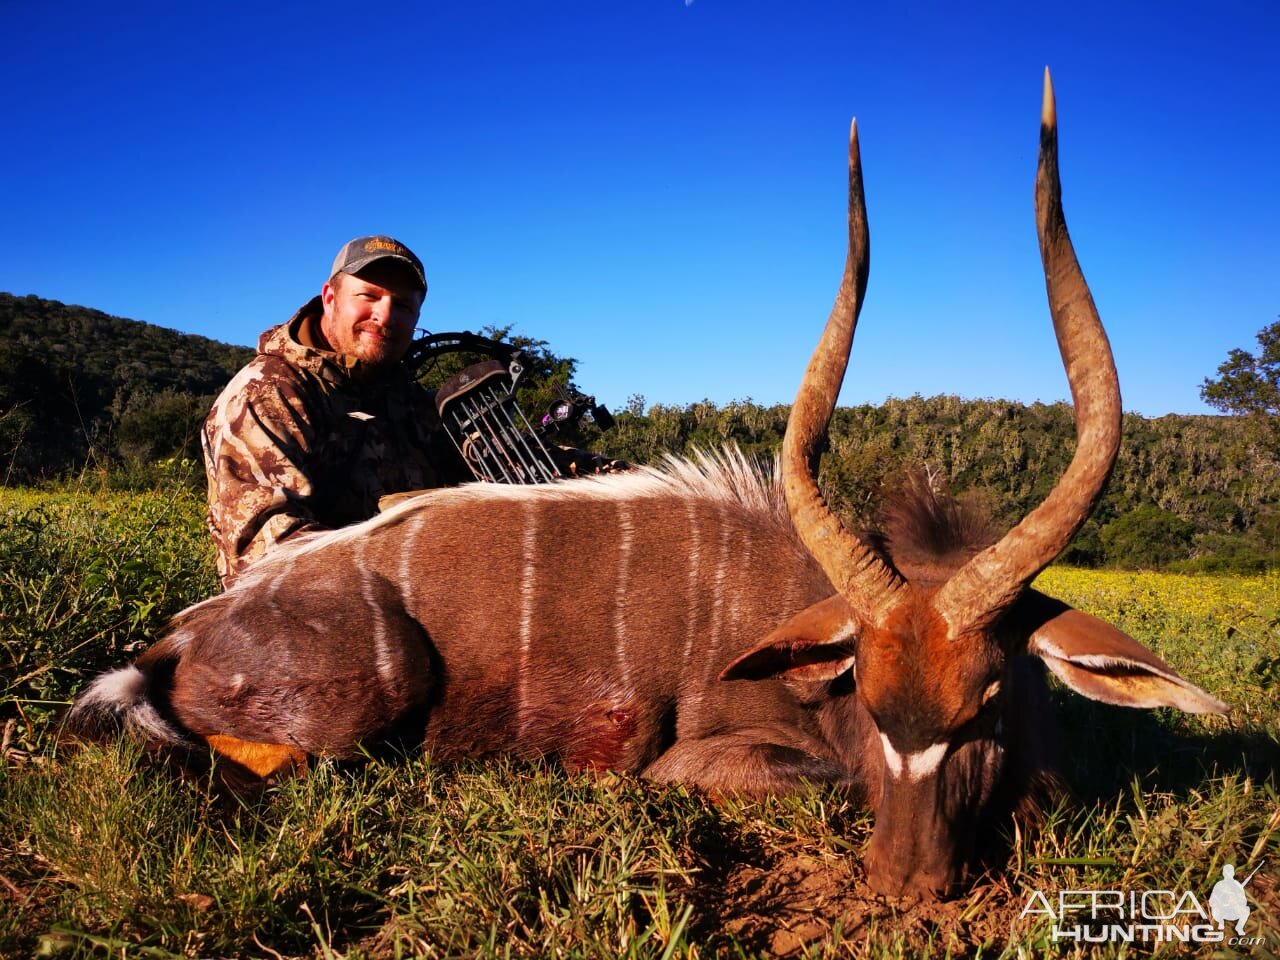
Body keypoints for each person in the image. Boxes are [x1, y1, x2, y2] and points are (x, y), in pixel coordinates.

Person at [202, 235, 614, 586]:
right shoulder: (267, 394)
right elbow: (268, 561)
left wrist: (610, 475)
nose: (384, 316)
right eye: (369, 296)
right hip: (315, 626)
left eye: (402, 305)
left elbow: (491, 458)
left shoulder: (401, 395)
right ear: (330, 298)